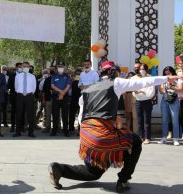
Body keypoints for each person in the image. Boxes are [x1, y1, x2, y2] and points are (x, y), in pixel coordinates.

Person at [48, 61, 182, 193]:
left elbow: (82, 114)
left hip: (87, 137)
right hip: (102, 136)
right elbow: (142, 82)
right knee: (135, 142)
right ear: (115, 72)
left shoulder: (88, 88)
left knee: (94, 172)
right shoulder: (116, 82)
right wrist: (166, 78)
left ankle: (59, 169)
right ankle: (123, 179)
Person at [158, 66, 182, 146]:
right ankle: (164, 137)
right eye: (166, 71)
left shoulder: (178, 79)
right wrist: (164, 86)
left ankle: (176, 138)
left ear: (172, 72)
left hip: (174, 100)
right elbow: (161, 91)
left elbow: (180, 89)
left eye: (169, 71)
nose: (167, 73)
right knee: (164, 119)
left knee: (175, 119)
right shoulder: (163, 79)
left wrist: (172, 85)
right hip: (165, 100)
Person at [132, 63, 155, 144]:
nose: (141, 71)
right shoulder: (138, 79)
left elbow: (151, 93)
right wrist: (135, 92)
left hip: (147, 101)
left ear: (146, 70)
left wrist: (142, 92)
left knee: (147, 120)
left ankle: (148, 137)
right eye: (140, 69)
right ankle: (141, 137)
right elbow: (134, 91)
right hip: (138, 101)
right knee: (140, 120)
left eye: (143, 69)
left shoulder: (150, 78)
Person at [13, 62, 36, 138]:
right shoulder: (18, 76)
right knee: (19, 114)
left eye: (27, 66)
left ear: (29, 67)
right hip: (20, 96)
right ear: (22, 67)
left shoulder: (32, 76)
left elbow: (34, 87)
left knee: (30, 115)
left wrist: (29, 93)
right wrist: (21, 93)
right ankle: (18, 132)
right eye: (24, 66)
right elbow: (16, 87)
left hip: (29, 96)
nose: (25, 67)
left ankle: (31, 132)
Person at [50, 62, 71, 137]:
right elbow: (52, 86)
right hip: (56, 96)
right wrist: (60, 92)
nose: (60, 68)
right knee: (55, 114)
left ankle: (66, 131)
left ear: (64, 67)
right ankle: (54, 130)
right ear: (57, 68)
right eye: (59, 66)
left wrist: (62, 94)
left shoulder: (67, 76)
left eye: (62, 66)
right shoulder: (54, 76)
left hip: (65, 97)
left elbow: (68, 86)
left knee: (65, 114)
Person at [7, 63, 23, 132]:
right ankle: (13, 126)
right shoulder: (12, 75)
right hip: (14, 95)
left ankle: (21, 127)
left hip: (22, 96)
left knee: (22, 112)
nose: (20, 68)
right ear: (16, 67)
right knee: (13, 112)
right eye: (19, 67)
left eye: (21, 67)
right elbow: (9, 85)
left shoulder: (24, 75)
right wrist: (16, 86)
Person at [68, 69, 82, 135]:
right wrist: (71, 82)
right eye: (77, 74)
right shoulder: (72, 80)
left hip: (81, 100)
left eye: (79, 74)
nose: (78, 75)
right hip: (73, 99)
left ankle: (80, 130)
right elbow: (69, 89)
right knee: (72, 115)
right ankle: (71, 129)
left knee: (81, 115)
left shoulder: (83, 81)